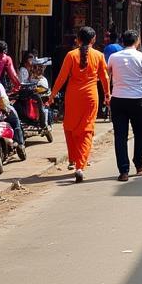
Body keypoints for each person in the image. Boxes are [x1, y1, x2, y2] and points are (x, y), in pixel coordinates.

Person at [50, 26, 111, 183]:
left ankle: (74, 159)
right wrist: (107, 95)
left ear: (78, 39)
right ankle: (80, 165)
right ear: (93, 39)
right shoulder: (98, 55)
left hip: (73, 96)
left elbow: (61, 78)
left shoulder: (71, 55)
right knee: (86, 129)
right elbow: (105, 78)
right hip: (91, 97)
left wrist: (52, 95)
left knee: (70, 126)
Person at [107, 30, 142, 182]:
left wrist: (107, 95)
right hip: (138, 99)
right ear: (137, 41)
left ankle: (123, 171)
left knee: (120, 135)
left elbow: (107, 77)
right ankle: (139, 165)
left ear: (122, 41)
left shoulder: (114, 57)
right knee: (140, 131)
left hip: (118, 99)